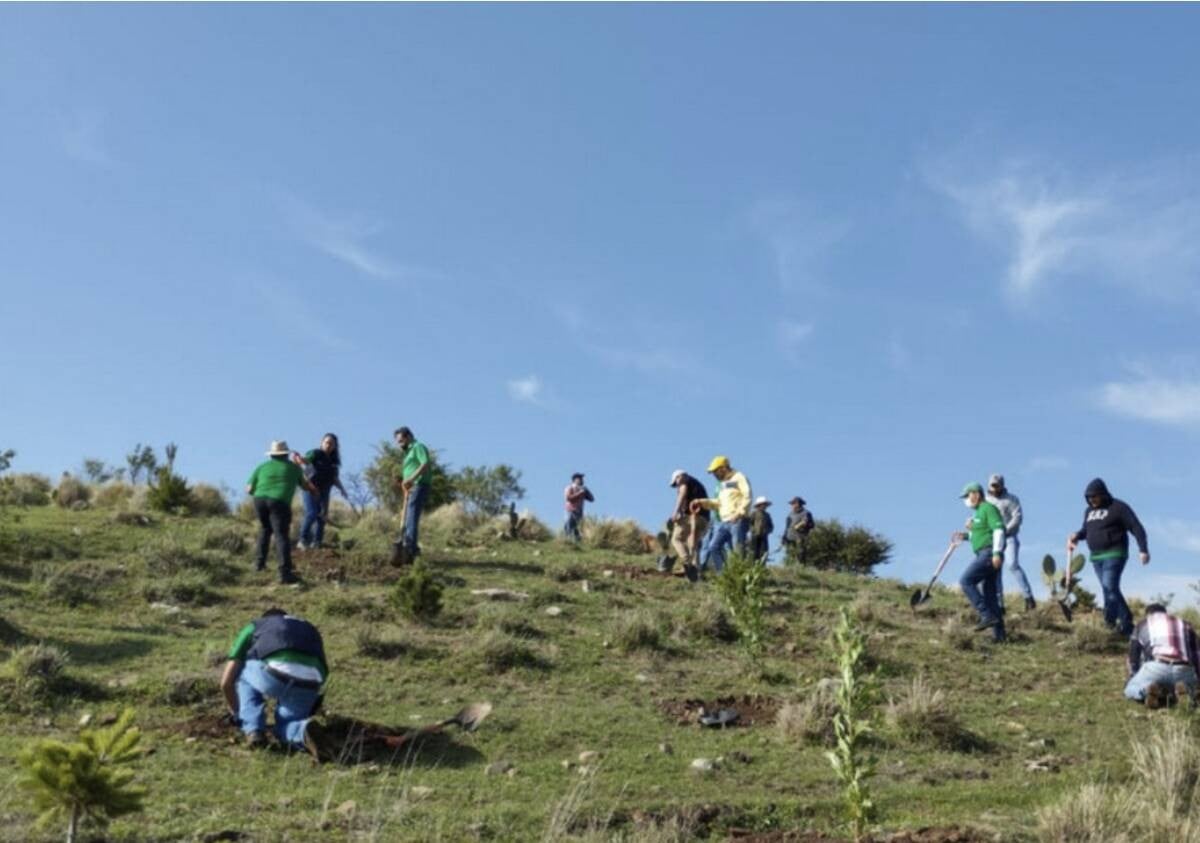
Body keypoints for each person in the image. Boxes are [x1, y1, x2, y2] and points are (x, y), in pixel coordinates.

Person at [219, 608, 329, 759]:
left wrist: (237, 714)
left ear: (266, 618)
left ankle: (253, 729)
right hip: (311, 681)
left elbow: (226, 682)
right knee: (286, 724)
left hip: (274, 674)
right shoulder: (310, 628)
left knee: (242, 673)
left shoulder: (256, 625)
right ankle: (301, 731)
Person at [1067, 478, 1149, 637]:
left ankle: (1122, 622)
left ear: (1103, 494)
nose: (1091, 500)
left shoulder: (1118, 507)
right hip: (1096, 557)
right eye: (1089, 497)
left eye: (1094, 496)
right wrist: (1077, 535)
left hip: (1115, 553)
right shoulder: (1088, 511)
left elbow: (1136, 527)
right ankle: (1114, 623)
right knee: (1108, 589)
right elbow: (1086, 530)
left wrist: (1143, 549)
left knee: (1109, 586)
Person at [246, 440, 318, 585]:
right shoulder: (294, 468)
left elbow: (249, 489)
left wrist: (262, 493)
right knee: (281, 535)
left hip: (259, 500)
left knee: (265, 530)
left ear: (271, 455)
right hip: (279, 502)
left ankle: (259, 565)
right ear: (286, 454)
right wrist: (315, 491)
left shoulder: (262, 467)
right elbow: (306, 486)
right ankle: (285, 573)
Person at [952, 482, 1007, 643]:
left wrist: (997, 553)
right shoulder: (978, 514)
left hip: (988, 553)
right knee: (990, 595)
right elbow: (980, 534)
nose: (966, 500)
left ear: (976, 494)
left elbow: (998, 530)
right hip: (985, 553)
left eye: (967, 496)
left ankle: (986, 614)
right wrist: (965, 536)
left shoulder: (988, 509)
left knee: (966, 581)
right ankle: (999, 637)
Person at [1125, 604, 1199, 709]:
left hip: (1157, 667)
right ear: (1165, 612)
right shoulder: (1185, 624)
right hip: (1184, 669)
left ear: (1148, 614)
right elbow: (1197, 654)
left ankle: (1146, 691)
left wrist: (1133, 676)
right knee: (1185, 685)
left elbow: (1133, 656)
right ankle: (1188, 692)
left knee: (1130, 688)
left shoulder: (1143, 623)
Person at [691, 456, 752, 574]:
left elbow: (747, 496)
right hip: (724, 522)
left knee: (737, 550)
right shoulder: (723, 484)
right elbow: (718, 503)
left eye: (715, 471)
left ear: (723, 468)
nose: (714, 474)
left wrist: (739, 514)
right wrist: (701, 502)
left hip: (737, 521)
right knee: (713, 547)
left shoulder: (739, 477)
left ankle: (740, 577)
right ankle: (723, 576)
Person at [985, 474, 1035, 612]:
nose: (995, 488)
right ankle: (999, 604)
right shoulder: (986, 501)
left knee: (1012, 564)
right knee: (996, 570)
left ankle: (1028, 597)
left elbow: (1017, 517)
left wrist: (1004, 530)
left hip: (1009, 537)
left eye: (997, 485)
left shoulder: (1012, 499)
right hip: (993, 539)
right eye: (992, 485)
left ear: (1002, 485)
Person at [295, 433, 348, 551]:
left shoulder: (334, 462)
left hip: (325, 490)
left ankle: (317, 542)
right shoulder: (316, 453)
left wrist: (342, 489)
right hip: (311, 487)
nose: (328, 445)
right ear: (322, 443)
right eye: (327, 442)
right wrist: (300, 460)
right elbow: (306, 460)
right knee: (312, 513)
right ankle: (302, 539)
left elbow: (334, 478)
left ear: (335, 446)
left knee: (322, 517)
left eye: (331, 443)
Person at [393, 426, 431, 563]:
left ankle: (411, 550)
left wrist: (411, 479)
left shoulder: (418, 447)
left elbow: (425, 464)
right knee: (408, 518)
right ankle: (408, 546)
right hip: (411, 487)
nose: (399, 444)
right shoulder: (408, 452)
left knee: (411, 518)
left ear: (408, 437)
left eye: (401, 440)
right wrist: (404, 480)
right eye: (398, 442)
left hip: (419, 485)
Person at [668, 469, 710, 581]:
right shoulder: (696, 484)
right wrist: (681, 512)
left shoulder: (685, 482)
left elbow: (682, 494)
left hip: (693, 516)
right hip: (704, 518)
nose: (677, 485)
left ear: (680, 476)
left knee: (676, 538)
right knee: (693, 544)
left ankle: (687, 563)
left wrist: (676, 512)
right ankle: (696, 571)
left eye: (676, 481)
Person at [780, 496, 814, 565]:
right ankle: (791, 567)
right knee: (790, 554)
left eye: (794, 503)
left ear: (799, 504)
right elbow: (787, 527)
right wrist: (784, 536)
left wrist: (800, 525)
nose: (792, 505)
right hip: (790, 537)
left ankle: (801, 567)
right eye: (792, 504)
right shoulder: (790, 514)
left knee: (801, 554)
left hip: (800, 537)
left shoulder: (806, 513)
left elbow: (810, 524)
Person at [563, 472, 593, 543]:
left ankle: (578, 544)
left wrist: (587, 491)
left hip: (579, 512)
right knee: (569, 527)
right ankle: (567, 542)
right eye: (580, 478)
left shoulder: (582, 489)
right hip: (570, 510)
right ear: (575, 480)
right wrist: (579, 493)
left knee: (578, 529)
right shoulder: (570, 487)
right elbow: (568, 498)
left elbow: (592, 499)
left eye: (582, 479)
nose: (582, 480)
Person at [748, 497, 774, 563]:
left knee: (763, 553)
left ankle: (761, 566)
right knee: (754, 552)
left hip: (764, 537)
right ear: (759, 505)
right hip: (755, 536)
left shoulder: (767, 515)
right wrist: (753, 530)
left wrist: (767, 531)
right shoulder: (754, 514)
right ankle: (753, 565)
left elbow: (771, 526)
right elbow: (749, 523)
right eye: (763, 504)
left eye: (765, 505)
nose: (764, 506)